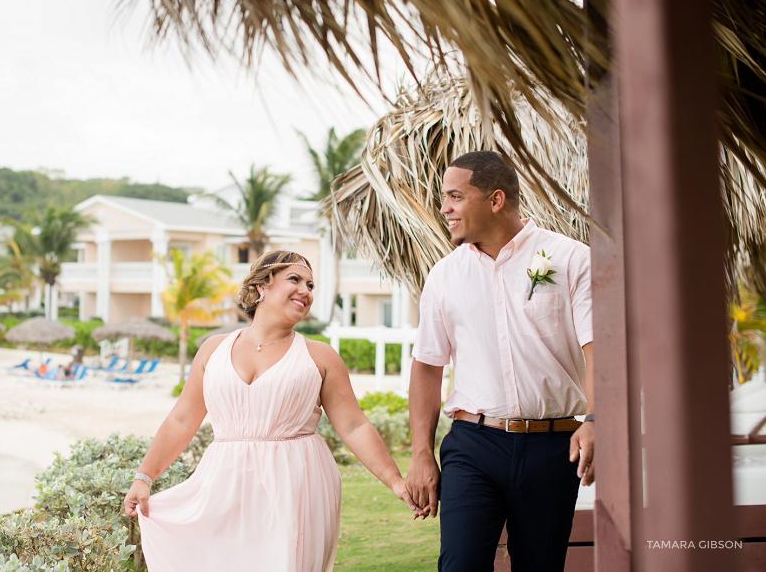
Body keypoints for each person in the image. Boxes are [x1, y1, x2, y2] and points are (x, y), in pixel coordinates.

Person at [123, 250, 416, 572]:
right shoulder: (213, 349)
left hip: (297, 483)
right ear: (262, 286)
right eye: (295, 279)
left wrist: (395, 481)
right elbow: (181, 420)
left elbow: (354, 426)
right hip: (223, 483)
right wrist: (144, 477)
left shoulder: (320, 356)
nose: (306, 290)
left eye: (311, 285)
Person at [406, 151, 595, 572]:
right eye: (444, 198)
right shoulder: (444, 276)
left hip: (553, 446)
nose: (444, 209)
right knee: (460, 565)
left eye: (455, 196)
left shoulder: (570, 260)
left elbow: (595, 347)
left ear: (494, 200)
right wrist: (421, 453)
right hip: (474, 443)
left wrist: (595, 420)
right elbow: (427, 367)